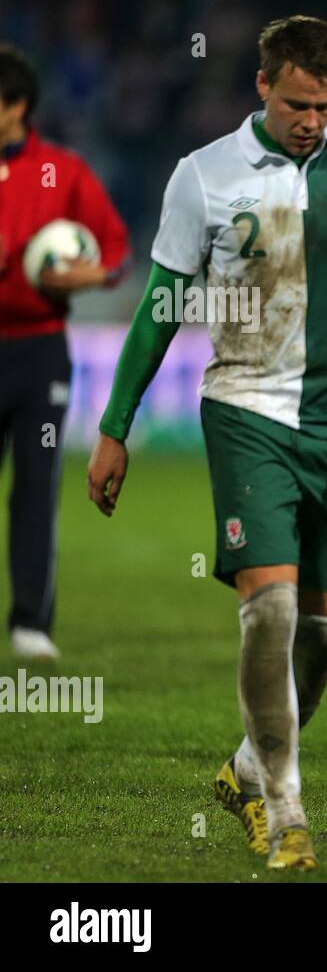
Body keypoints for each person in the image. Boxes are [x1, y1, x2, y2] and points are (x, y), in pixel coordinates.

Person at [87, 16, 327, 870]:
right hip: (245, 409)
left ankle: (247, 768)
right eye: (295, 104)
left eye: (326, 105)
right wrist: (112, 426)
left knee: (324, 634)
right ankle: (286, 815)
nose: (311, 119)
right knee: (271, 607)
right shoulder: (203, 177)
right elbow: (162, 306)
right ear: (261, 87)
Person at [0, 43, 129, 662]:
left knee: (35, 488)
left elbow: (115, 252)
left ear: (17, 106)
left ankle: (30, 622)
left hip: (38, 354)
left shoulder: (61, 171)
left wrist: (82, 275)